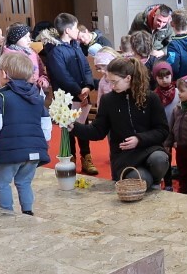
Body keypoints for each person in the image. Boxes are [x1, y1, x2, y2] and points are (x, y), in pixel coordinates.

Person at [71, 58, 170, 187]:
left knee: (160, 160)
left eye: (115, 82)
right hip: (124, 156)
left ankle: (155, 183)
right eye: (109, 82)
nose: (112, 86)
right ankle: (150, 183)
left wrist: (139, 139)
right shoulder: (108, 100)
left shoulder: (151, 98)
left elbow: (162, 130)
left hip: (149, 149)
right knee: (142, 179)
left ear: (128, 78)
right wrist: (73, 127)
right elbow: (98, 131)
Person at [0, 52, 51, 216]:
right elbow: (46, 125)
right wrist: (44, 145)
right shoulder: (37, 97)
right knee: (24, 181)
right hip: (35, 150)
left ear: (4, 74)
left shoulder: (1, 97)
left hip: (10, 152)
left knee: (1, 183)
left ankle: (7, 213)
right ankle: (28, 211)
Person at [40, 13, 98, 176]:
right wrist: (78, 91)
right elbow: (62, 76)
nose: (78, 31)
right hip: (66, 96)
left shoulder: (75, 46)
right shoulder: (55, 51)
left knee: (83, 126)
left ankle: (86, 157)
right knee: (69, 129)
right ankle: (70, 159)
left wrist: (88, 86)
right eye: (75, 27)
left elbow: (86, 67)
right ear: (67, 30)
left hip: (82, 94)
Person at [2, 23, 50, 96]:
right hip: (18, 95)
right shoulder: (9, 56)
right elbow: (8, 80)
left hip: (34, 93)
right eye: (25, 37)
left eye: (29, 36)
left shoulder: (32, 52)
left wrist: (42, 80)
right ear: (15, 38)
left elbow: (41, 72)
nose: (29, 40)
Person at [153, 61, 177, 190]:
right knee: (165, 156)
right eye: (160, 77)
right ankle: (168, 183)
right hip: (162, 132)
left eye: (167, 77)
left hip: (177, 130)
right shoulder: (154, 95)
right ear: (155, 78)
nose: (164, 80)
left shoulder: (178, 93)